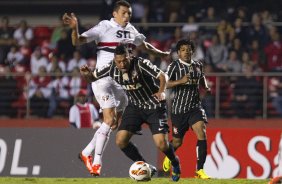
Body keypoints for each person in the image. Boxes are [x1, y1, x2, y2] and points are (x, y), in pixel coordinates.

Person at [62, 0, 169, 176]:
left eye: (129, 14)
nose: (127, 16)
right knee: (110, 120)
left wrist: (161, 54)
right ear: (115, 14)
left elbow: (144, 46)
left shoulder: (131, 30)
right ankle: (96, 162)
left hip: (121, 81)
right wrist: (75, 27)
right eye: (124, 13)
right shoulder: (104, 26)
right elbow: (78, 41)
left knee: (112, 124)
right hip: (103, 78)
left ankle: (86, 153)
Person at [80, 44, 181, 181]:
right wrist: (87, 75)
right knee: (121, 141)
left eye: (124, 60)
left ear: (130, 57)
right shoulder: (111, 67)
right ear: (115, 60)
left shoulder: (141, 63)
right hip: (134, 106)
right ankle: (144, 166)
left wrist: (162, 91)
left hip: (154, 106)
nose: (122, 64)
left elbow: (162, 76)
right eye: (119, 61)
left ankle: (175, 162)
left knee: (161, 144)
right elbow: (92, 78)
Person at [162, 39, 211, 179]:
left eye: (189, 49)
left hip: (195, 108)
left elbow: (202, 77)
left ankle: (199, 170)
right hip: (179, 110)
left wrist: (206, 87)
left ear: (192, 51)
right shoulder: (174, 66)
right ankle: (169, 156)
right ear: (178, 52)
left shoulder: (197, 65)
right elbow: (165, 83)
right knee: (177, 142)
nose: (186, 52)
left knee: (202, 132)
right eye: (183, 49)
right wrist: (180, 81)